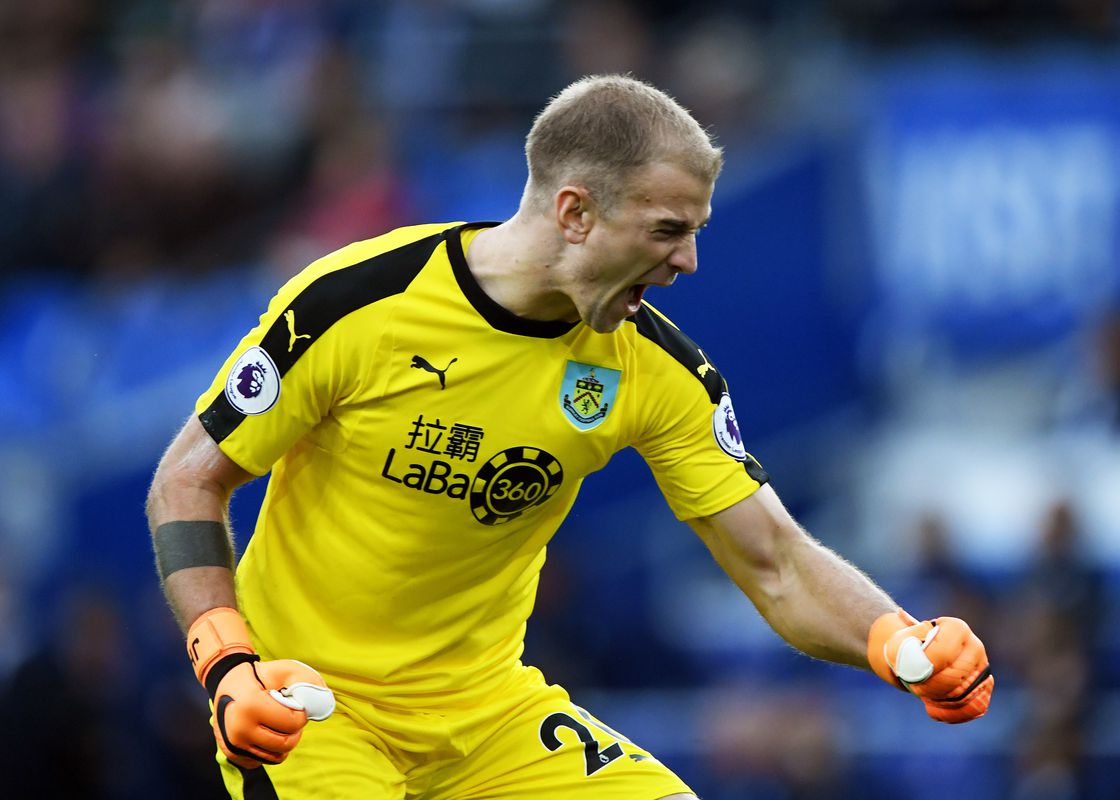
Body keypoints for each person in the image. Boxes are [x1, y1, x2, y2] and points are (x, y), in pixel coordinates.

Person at [146, 75, 993, 800]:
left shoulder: (656, 371)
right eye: (667, 230)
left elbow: (773, 559)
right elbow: (187, 480)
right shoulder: (357, 304)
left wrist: (897, 638)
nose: (688, 261)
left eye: (695, 231)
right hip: (311, 708)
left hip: (488, 715)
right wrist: (227, 665)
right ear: (575, 211)